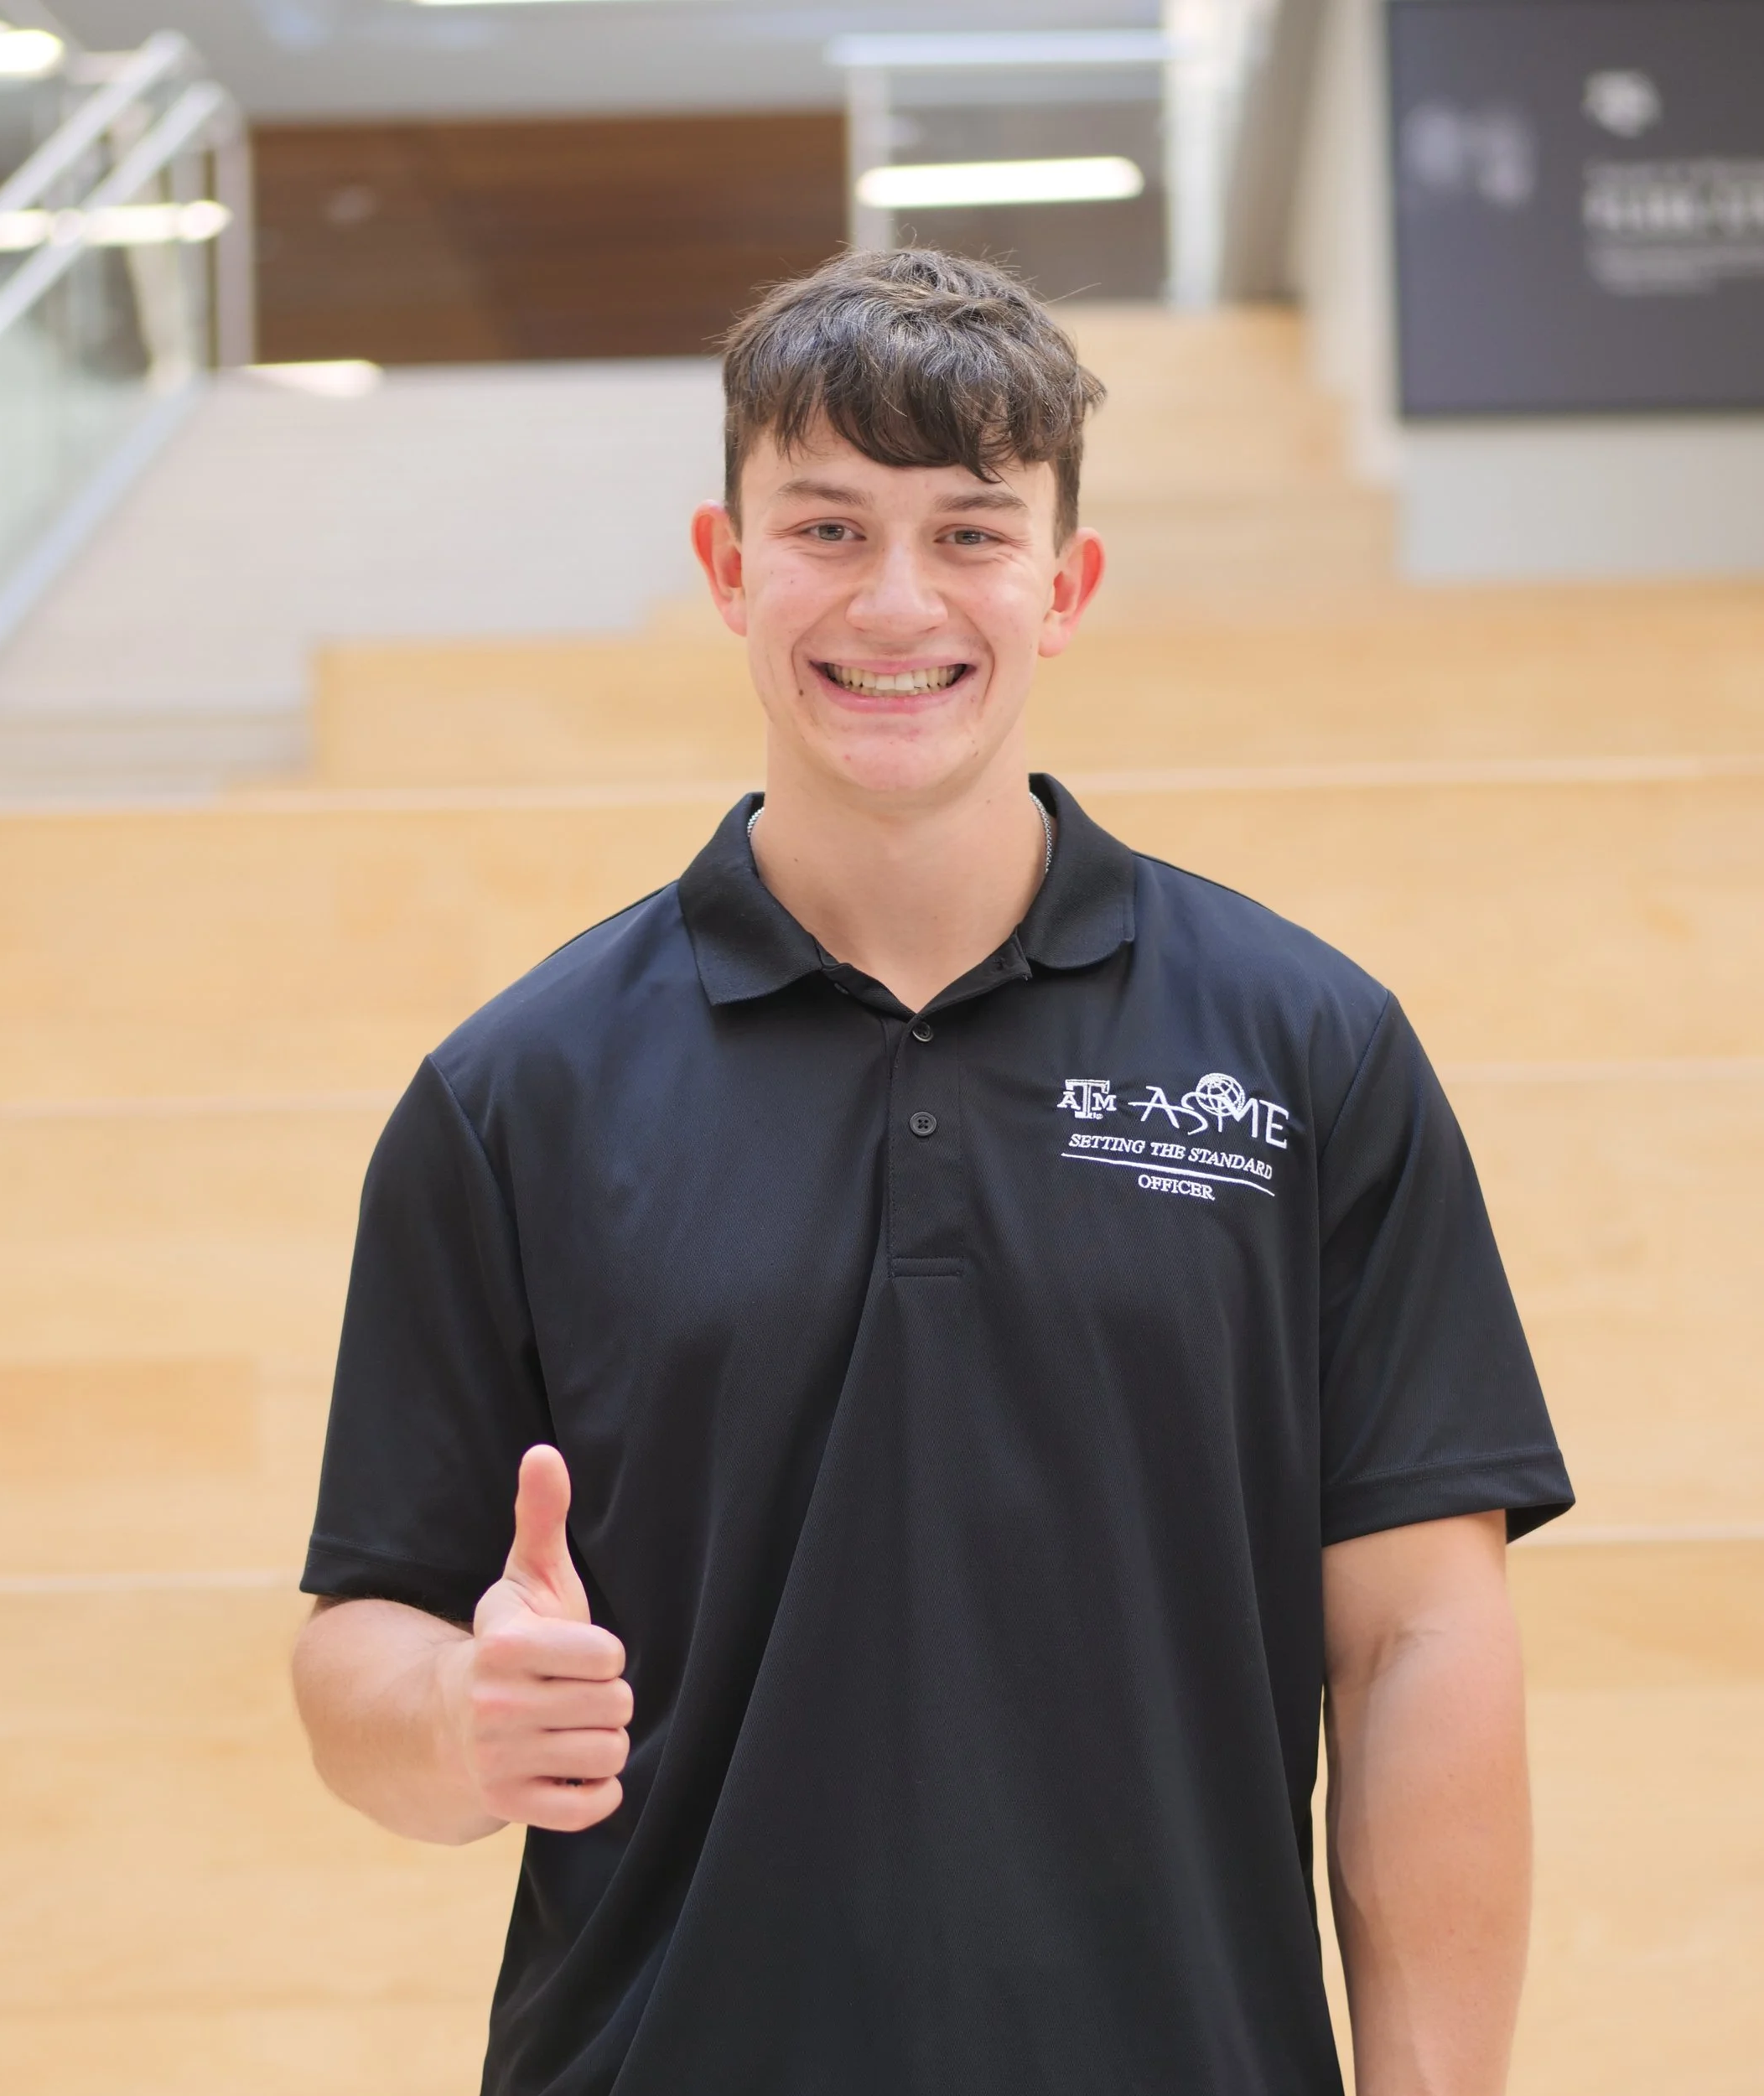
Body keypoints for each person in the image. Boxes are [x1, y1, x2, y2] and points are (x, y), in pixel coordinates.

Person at [291, 247, 1572, 2096]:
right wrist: (454, 1713)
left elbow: (1418, 1639)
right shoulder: (512, 1093)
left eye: (970, 531)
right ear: (726, 568)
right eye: (824, 526)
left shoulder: (1307, 1048)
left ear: (1065, 585)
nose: (895, 601)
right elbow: (363, 1642)